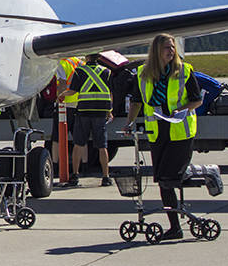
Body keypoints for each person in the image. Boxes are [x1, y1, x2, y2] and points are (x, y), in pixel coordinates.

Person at [125, 34, 203, 240]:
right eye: (167, 48)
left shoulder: (184, 71)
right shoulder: (143, 73)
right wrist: (129, 122)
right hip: (158, 133)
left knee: (169, 178)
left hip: (180, 132)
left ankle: (177, 220)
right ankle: (175, 226)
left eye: (172, 47)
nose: (171, 51)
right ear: (156, 51)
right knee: (162, 180)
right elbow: (136, 100)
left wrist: (180, 110)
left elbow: (196, 100)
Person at [67, 53, 113, 187]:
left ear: (87, 57)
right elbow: (110, 92)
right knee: (102, 145)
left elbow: (73, 91)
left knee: (79, 143)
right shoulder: (106, 71)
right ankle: (106, 177)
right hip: (100, 111)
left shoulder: (80, 71)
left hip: (84, 111)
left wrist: (62, 95)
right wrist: (110, 110)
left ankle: (75, 175)